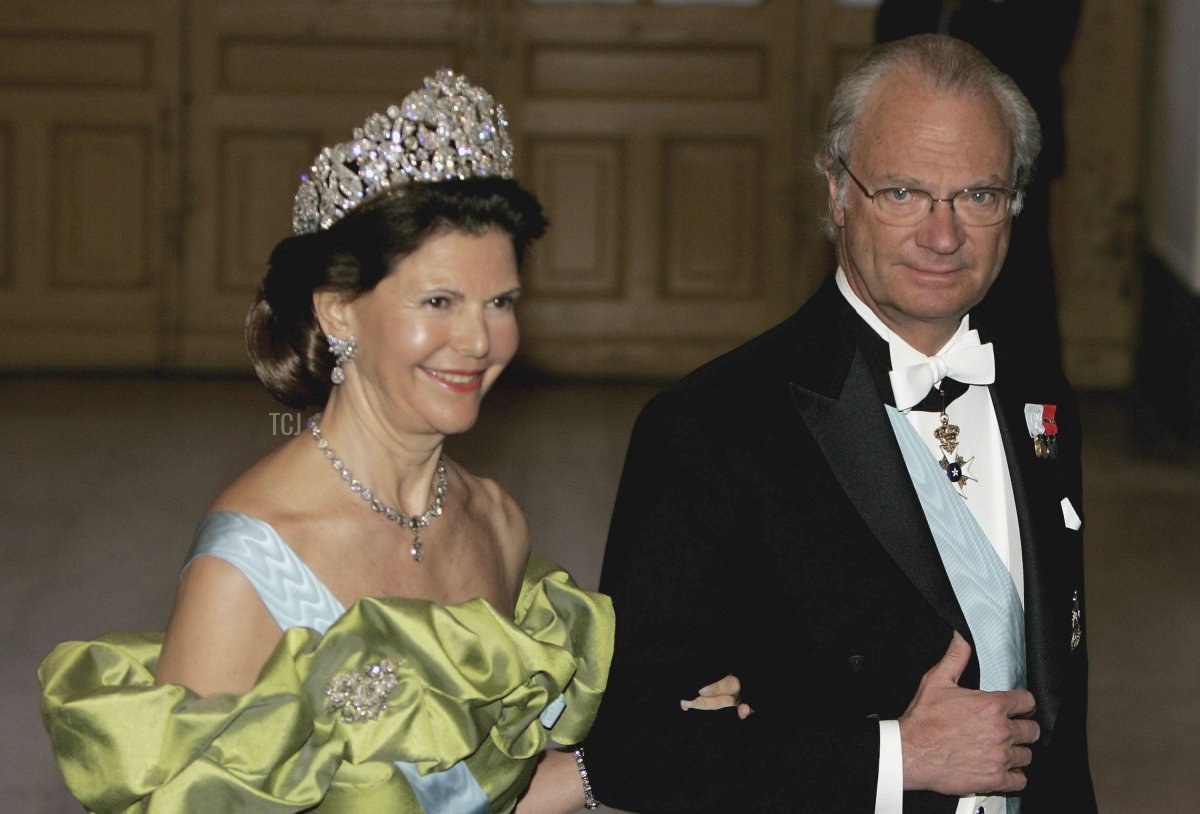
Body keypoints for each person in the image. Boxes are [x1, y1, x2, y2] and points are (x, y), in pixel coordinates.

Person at [37, 69, 742, 814]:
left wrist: (650, 744)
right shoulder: (247, 568)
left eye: (499, 302)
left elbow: (472, 796)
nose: (478, 339)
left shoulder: (492, 521)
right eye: (438, 301)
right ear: (340, 313)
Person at [582, 35, 1096, 813]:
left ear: (1015, 202)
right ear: (836, 192)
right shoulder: (710, 428)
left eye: (978, 196)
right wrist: (895, 756)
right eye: (903, 193)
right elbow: (632, 747)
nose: (943, 234)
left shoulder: (1038, 396)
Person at [875, 0, 1083, 365]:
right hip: (918, 133)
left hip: (1012, 141)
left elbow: (1047, 36)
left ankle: (1027, 389)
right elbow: (892, 28)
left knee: (1021, 276)